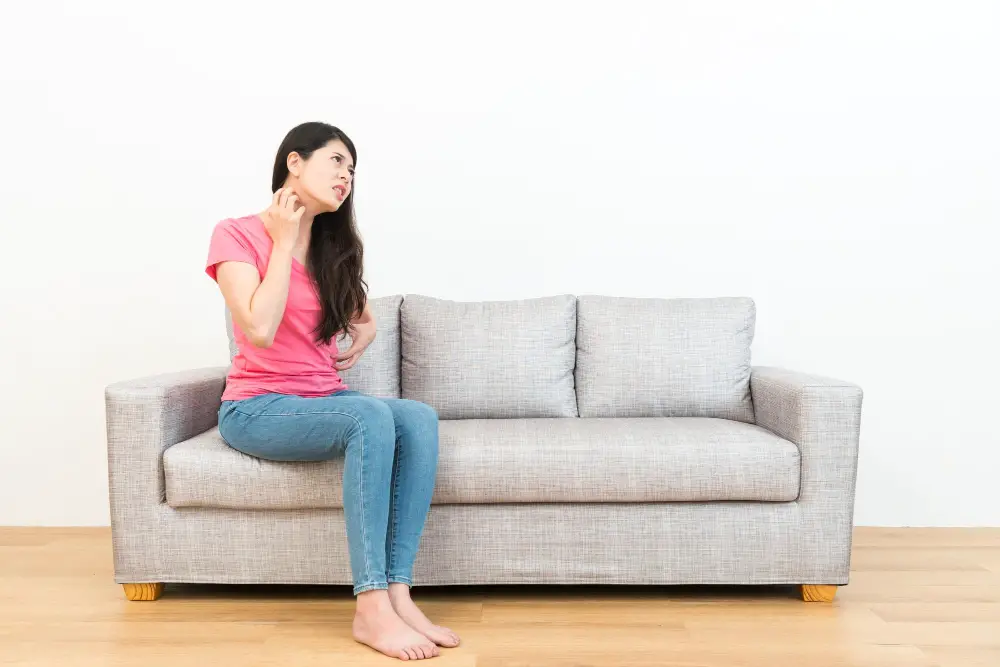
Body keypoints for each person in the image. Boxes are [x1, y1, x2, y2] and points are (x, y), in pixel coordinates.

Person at [204, 121, 458, 661]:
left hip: (323, 398)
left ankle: (397, 591)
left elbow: (360, 315)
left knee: (417, 417)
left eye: (353, 169)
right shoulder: (237, 234)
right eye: (337, 161)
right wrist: (281, 241)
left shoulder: (333, 248)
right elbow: (259, 328)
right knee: (369, 416)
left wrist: (365, 329)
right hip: (257, 407)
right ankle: (369, 607)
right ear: (294, 162)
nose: (347, 175)